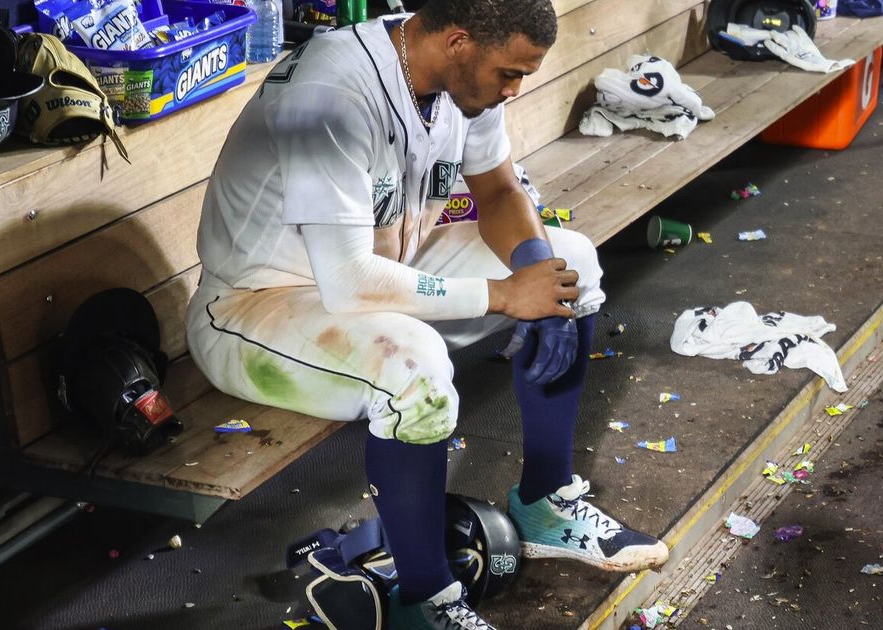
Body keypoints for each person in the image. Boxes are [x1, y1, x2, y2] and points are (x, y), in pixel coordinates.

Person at [186, 1, 669, 627]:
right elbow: (349, 282)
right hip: (259, 309)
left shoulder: (460, 79)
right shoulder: (330, 94)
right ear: (460, 41)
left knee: (569, 262)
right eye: (508, 75)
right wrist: (505, 296)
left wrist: (538, 279)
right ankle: (426, 601)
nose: (514, 90)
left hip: (384, 268)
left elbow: (498, 192)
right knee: (414, 368)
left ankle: (545, 504)